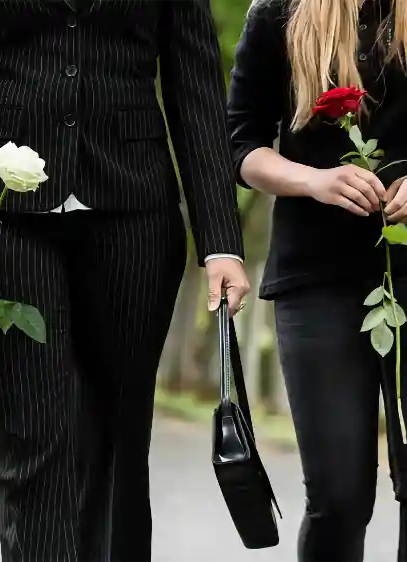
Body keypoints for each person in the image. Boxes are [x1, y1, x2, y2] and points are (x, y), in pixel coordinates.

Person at [0, 0, 250, 560]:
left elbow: (195, 85)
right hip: (3, 220)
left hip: (134, 210)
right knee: (31, 436)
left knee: (119, 438)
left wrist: (219, 241)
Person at [229, 0, 407, 559]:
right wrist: (314, 181)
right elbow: (241, 144)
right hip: (317, 278)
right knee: (338, 495)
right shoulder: (277, 14)